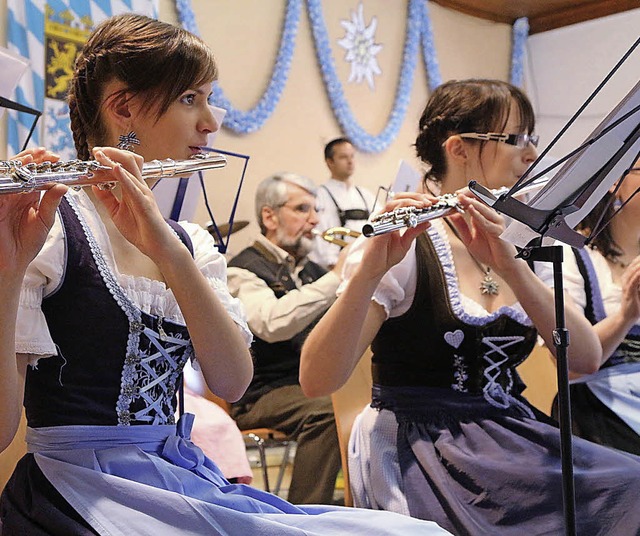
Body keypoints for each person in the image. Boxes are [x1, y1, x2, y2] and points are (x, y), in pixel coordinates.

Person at [0, 14, 450, 536]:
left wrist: (170, 253)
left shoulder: (190, 241)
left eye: (209, 99)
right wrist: (8, 273)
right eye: (191, 99)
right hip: (78, 489)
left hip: (175, 476)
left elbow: (233, 382)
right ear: (123, 107)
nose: (211, 122)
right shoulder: (50, 232)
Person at [300, 79, 640, 535]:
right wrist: (366, 274)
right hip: (420, 445)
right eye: (515, 139)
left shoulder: (519, 240)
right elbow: (317, 379)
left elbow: (584, 358)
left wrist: (512, 264)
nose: (532, 154)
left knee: (630, 485)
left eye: (534, 138)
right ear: (458, 149)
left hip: (507, 434)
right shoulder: (406, 244)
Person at [226, 173, 342, 505]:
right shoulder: (241, 269)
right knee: (328, 411)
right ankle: (306, 517)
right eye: (303, 208)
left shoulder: (311, 271)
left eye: (316, 209)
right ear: (269, 216)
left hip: (310, 385)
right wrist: (337, 277)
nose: (315, 219)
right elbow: (271, 323)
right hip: (263, 393)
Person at [536, 160, 640, 455]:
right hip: (597, 417)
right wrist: (625, 316)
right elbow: (568, 366)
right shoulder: (568, 253)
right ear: (614, 181)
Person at [309, 137, 376, 270]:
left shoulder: (365, 195)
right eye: (343, 157)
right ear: (330, 162)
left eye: (352, 156)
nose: (350, 162)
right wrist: (333, 265)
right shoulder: (319, 195)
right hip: (335, 268)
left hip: (366, 265)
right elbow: (318, 235)